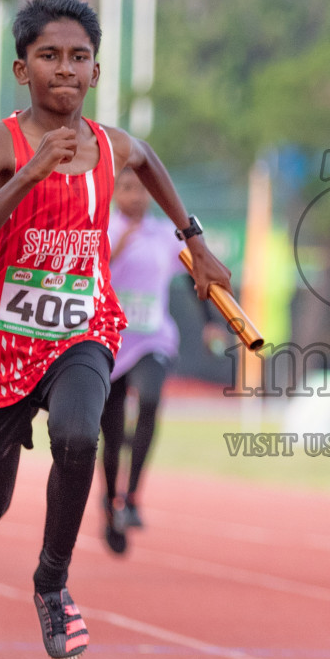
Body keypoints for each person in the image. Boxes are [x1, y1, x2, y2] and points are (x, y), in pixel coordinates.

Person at [0, 0, 231, 659]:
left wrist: (193, 239)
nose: (64, 69)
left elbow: (151, 162)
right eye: (48, 56)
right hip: (5, 344)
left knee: (77, 435)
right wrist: (31, 175)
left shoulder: (112, 147)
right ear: (21, 68)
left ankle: (52, 582)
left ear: (95, 72)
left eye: (77, 57)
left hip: (82, 329)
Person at [96, 167, 224, 554]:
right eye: (127, 189)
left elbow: (191, 275)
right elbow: (85, 273)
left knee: (150, 399)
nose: (136, 196)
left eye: (142, 190)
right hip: (108, 339)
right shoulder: (102, 231)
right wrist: (116, 248)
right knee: (112, 430)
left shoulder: (164, 235)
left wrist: (210, 322)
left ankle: (132, 497)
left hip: (153, 336)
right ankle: (109, 501)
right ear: (114, 193)